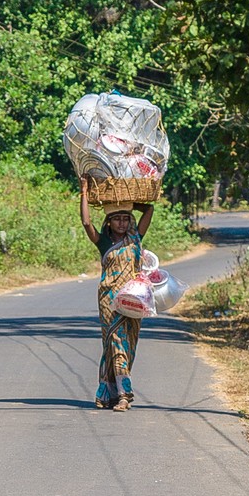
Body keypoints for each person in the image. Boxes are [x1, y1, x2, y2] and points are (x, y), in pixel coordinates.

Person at [80, 176, 154, 412]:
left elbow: (149, 209)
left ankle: (107, 393)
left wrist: (125, 201)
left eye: (125, 219)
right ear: (108, 222)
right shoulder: (103, 242)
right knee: (114, 343)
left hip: (133, 299)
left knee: (127, 344)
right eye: (116, 219)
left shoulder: (135, 239)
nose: (122, 224)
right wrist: (85, 192)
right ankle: (124, 395)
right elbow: (86, 223)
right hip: (109, 300)